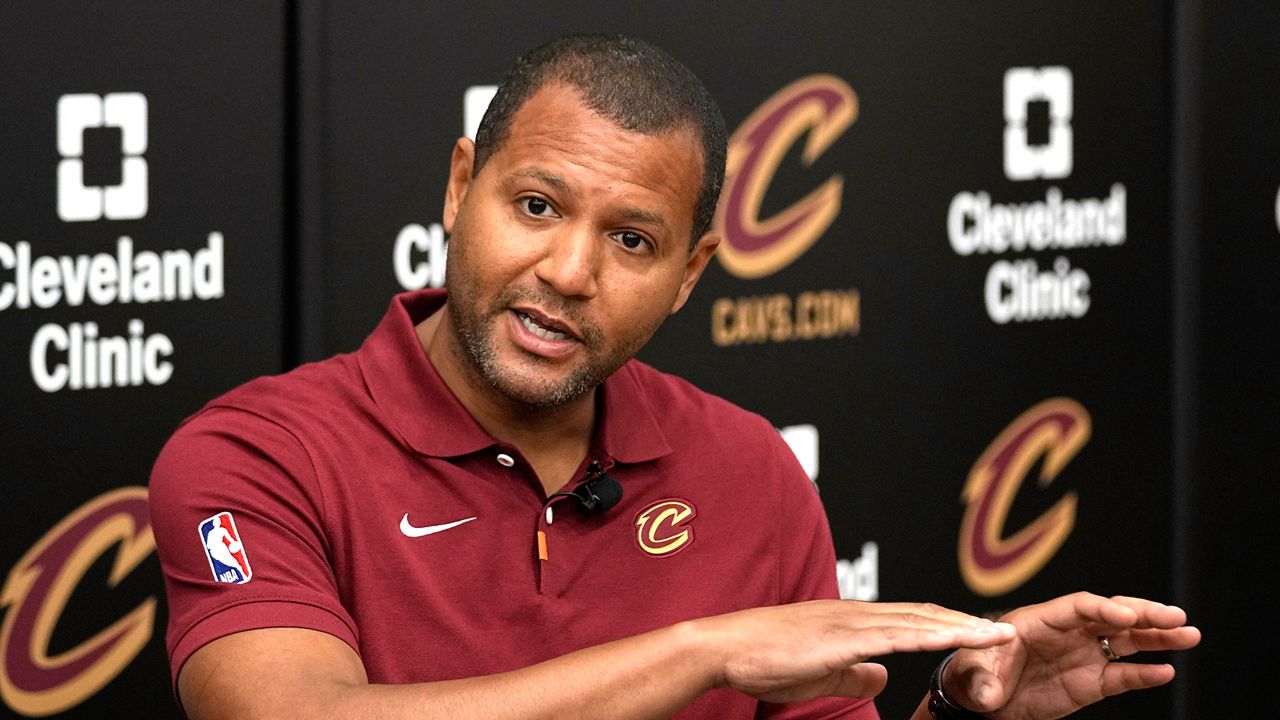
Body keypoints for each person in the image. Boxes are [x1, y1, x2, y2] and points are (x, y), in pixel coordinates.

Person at [148, 33, 1199, 720]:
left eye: (634, 242)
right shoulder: (255, 456)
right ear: (460, 186)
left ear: (691, 273)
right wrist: (705, 651)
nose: (567, 273)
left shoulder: (745, 466)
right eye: (535, 206)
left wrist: (960, 716)